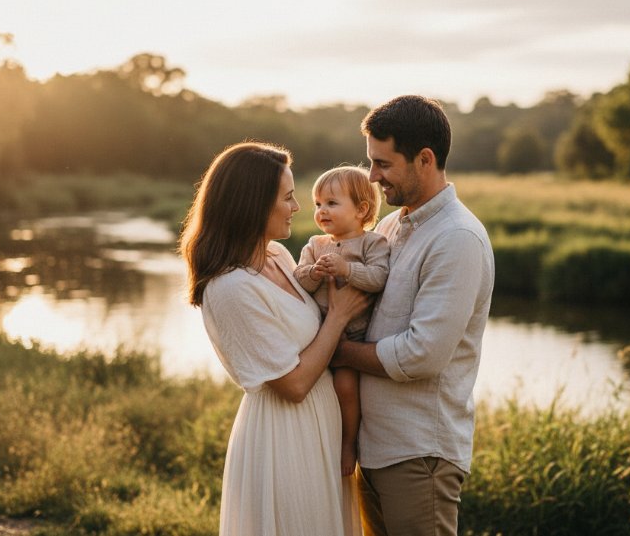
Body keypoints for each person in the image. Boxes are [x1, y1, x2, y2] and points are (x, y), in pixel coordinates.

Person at [180, 142, 369, 536]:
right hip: (284, 439)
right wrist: (338, 316)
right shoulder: (229, 288)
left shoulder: (280, 256)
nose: (299, 208)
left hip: (323, 428)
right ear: (254, 203)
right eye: (287, 197)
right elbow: (293, 384)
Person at [332, 95, 495, 536]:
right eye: (371, 163)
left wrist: (340, 352)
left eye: (383, 164)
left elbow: (422, 354)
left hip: (420, 455)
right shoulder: (388, 228)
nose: (372, 177)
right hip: (378, 449)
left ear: (424, 159)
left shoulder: (457, 238)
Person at [293, 166, 390, 477]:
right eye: (318, 204)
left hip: (352, 338)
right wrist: (313, 273)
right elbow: (300, 282)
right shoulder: (314, 245)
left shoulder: (372, 244)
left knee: (345, 386)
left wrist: (347, 270)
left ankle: (349, 442)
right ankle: (313, 447)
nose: (322, 211)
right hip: (318, 338)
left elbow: (378, 278)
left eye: (332, 203)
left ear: (361, 209)